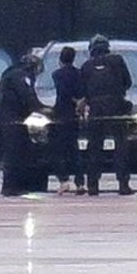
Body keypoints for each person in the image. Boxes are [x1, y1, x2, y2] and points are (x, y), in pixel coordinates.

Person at [79, 35, 134, 196]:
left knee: (94, 147)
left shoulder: (86, 66)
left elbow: (83, 90)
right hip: (116, 107)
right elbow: (128, 82)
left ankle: (93, 185)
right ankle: (123, 184)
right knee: (121, 146)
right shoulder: (118, 61)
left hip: (96, 110)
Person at [0, 48, 44, 195]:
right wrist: (41, 109)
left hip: (10, 118)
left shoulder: (11, 73)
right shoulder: (20, 76)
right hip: (12, 120)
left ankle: (15, 185)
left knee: (18, 152)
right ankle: (10, 187)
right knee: (13, 153)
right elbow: (27, 96)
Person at [49, 45, 85, 194]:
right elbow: (82, 91)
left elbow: (62, 92)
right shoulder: (79, 74)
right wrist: (79, 102)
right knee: (74, 149)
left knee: (59, 150)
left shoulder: (56, 74)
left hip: (61, 114)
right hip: (74, 115)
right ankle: (80, 182)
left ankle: (64, 180)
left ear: (60, 59)